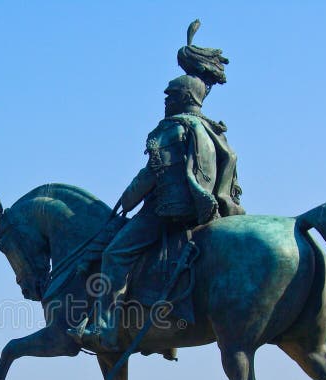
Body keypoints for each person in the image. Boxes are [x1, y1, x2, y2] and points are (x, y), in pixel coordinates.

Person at [73, 22, 243, 351]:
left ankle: (105, 329)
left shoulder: (173, 128)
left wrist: (125, 199)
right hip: (206, 213)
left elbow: (153, 173)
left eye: (171, 95)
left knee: (114, 254)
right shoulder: (212, 131)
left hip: (169, 211)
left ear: (182, 97)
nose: (166, 100)